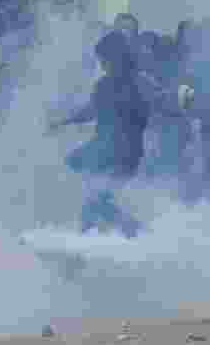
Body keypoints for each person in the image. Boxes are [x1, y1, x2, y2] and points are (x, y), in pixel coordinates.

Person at [47, 30, 149, 237]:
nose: (102, 65)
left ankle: (133, 231)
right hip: (103, 148)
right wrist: (62, 121)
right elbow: (91, 111)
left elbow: (161, 100)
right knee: (89, 191)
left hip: (125, 154)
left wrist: (182, 100)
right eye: (101, 60)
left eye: (105, 60)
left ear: (117, 58)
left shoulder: (139, 83)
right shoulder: (103, 85)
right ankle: (99, 231)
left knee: (97, 199)